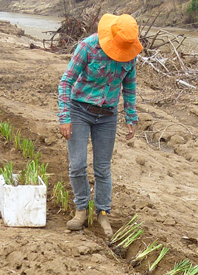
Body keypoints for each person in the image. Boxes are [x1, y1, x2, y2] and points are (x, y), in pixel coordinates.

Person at [57, 13, 143, 238]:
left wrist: (131, 117)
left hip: (108, 115)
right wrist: (65, 116)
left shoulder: (130, 54)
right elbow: (66, 81)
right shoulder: (88, 47)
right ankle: (81, 210)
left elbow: (130, 87)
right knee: (77, 164)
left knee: (103, 168)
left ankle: (103, 212)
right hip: (79, 111)